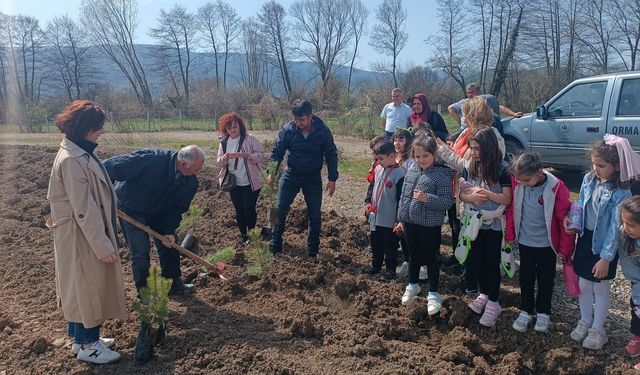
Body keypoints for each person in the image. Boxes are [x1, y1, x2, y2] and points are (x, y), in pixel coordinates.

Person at [47, 100, 126, 364]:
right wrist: (102, 245)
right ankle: (90, 346)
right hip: (82, 236)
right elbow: (84, 209)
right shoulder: (72, 159)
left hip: (80, 233)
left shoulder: (79, 151)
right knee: (88, 289)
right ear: (84, 128)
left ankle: (80, 340)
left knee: (81, 288)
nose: (101, 132)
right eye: (98, 127)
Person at [565, 134, 639, 350]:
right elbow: (580, 202)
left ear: (616, 166)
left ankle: (598, 329)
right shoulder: (589, 179)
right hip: (586, 238)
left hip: (604, 245)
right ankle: (585, 320)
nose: (595, 168)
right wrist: (572, 217)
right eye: (594, 163)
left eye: (601, 165)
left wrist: (606, 258)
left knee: (599, 286)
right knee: (583, 284)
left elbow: (616, 229)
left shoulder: (621, 192)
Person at [104, 145, 205, 296]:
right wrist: (103, 196)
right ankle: (145, 292)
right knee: (140, 250)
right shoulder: (152, 159)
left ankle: (172, 283)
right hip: (131, 208)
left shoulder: (190, 183)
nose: (198, 172)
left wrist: (169, 230)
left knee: (170, 244)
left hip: (160, 211)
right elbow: (109, 167)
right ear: (183, 164)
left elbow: (177, 209)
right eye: (196, 169)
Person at [505, 151, 575, 333]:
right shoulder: (518, 182)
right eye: (519, 180)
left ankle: (543, 312)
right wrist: (510, 234)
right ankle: (526, 310)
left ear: (538, 173)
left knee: (546, 279)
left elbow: (564, 218)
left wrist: (566, 248)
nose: (522, 184)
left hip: (546, 245)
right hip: (526, 242)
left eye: (526, 180)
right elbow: (513, 208)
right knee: (526, 277)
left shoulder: (556, 187)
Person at [269, 99, 339, 258]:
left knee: (314, 214)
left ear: (310, 116)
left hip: (312, 178)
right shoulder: (288, 130)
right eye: (295, 119)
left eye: (301, 119)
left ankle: (313, 250)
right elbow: (277, 151)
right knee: (277, 208)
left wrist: (332, 178)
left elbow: (331, 154)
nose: (298, 123)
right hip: (291, 174)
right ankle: (275, 242)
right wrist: (271, 172)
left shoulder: (322, 131)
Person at [459, 127, 512, 327]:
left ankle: (494, 301)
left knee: (491, 262)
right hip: (475, 222)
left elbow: (506, 198)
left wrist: (487, 194)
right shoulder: (470, 165)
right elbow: (462, 194)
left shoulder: (502, 169)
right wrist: (470, 197)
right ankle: (483, 293)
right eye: (472, 148)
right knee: (477, 260)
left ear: (489, 148)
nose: (474, 152)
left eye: (477, 149)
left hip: (494, 223)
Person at [396, 135, 454, 316]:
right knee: (413, 256)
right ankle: (413, 285)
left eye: (425, 156)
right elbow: (405, 197)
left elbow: (447, 202)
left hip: (430, 225)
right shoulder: (412, 170)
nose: (421, 160)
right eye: (418, 156)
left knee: (430, 258)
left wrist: (427, 198)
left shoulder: (442, 174)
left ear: (434, 154)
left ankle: (433, 292)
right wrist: (401, 219)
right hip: (411, 223)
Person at [216, 112, 266, 243]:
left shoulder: (250, 138)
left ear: (240, 126)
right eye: (229, 128)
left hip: (251, 181)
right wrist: (225, 158)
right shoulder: (224, 143)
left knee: (249, 208)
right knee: (239, 210)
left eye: (235, 127)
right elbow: (219, 162)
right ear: (225, 129)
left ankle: (252, 234)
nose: (232, 130)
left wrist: (250, 156)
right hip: (234, 182)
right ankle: (244, 236)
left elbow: (261, 154)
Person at [363, 142, 406, 281]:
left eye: (381, 159)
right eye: (377, 159)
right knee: (375, 242)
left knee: (390, 245)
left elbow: (401, 199)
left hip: (390, 219)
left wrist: (399, 220)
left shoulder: (400, 174)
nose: (378, 162)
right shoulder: (378, 169)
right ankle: (375, 266)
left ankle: (390, 270)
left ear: (392, 156)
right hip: (375, 216)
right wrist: (368, 202)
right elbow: (372, 187)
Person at [616, 196, 640, 361]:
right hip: (637, 281)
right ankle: (637, 337)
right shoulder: (625, 235)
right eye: (624, 222)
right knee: (635, 308)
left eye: (631, 225)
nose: (626, 228)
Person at [448, 83, 522, 129]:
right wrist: (460, 121)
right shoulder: (464, 102)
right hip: (468, 129)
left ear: (478, 92)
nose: (470, 94)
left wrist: (513, 114)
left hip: (484, 128)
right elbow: (451, 108)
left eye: (472, 92)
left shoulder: (486, 99)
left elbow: (500, 107)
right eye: (468, 93)